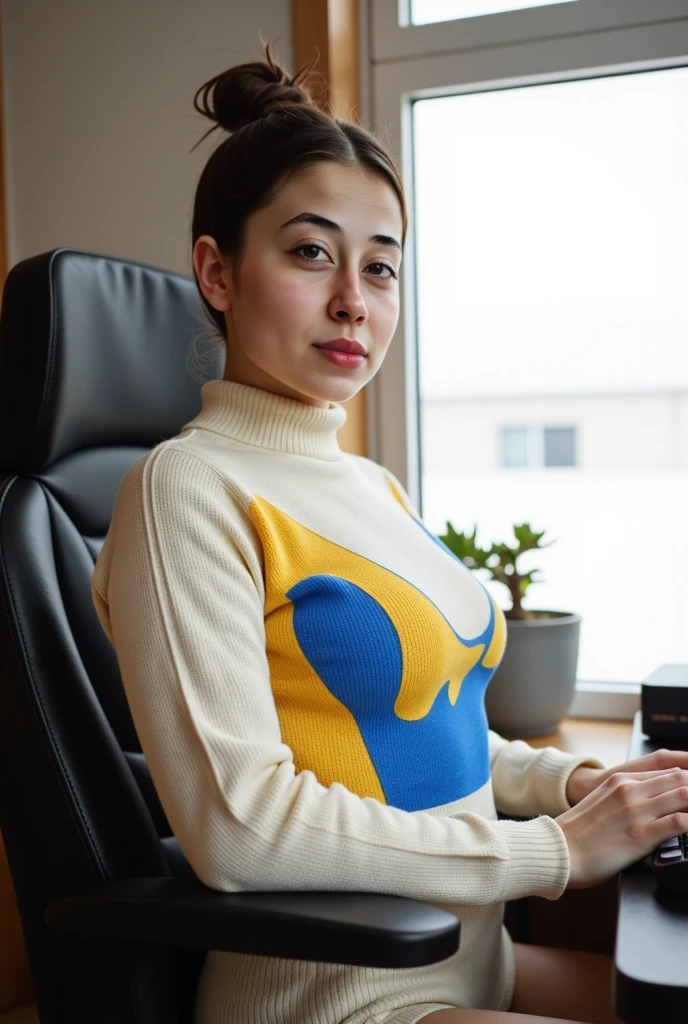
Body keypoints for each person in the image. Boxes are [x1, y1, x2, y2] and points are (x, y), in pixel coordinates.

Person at [91, 42, 688, 1024]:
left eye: (381, 267)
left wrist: (582, 780)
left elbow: (428, 740)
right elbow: (241, 826)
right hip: (336, 995)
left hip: (470, 964)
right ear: (217, 270)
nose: (352, 303)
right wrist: (558, 849)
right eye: (309, 252)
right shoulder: (185, 487)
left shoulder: (370, 483)